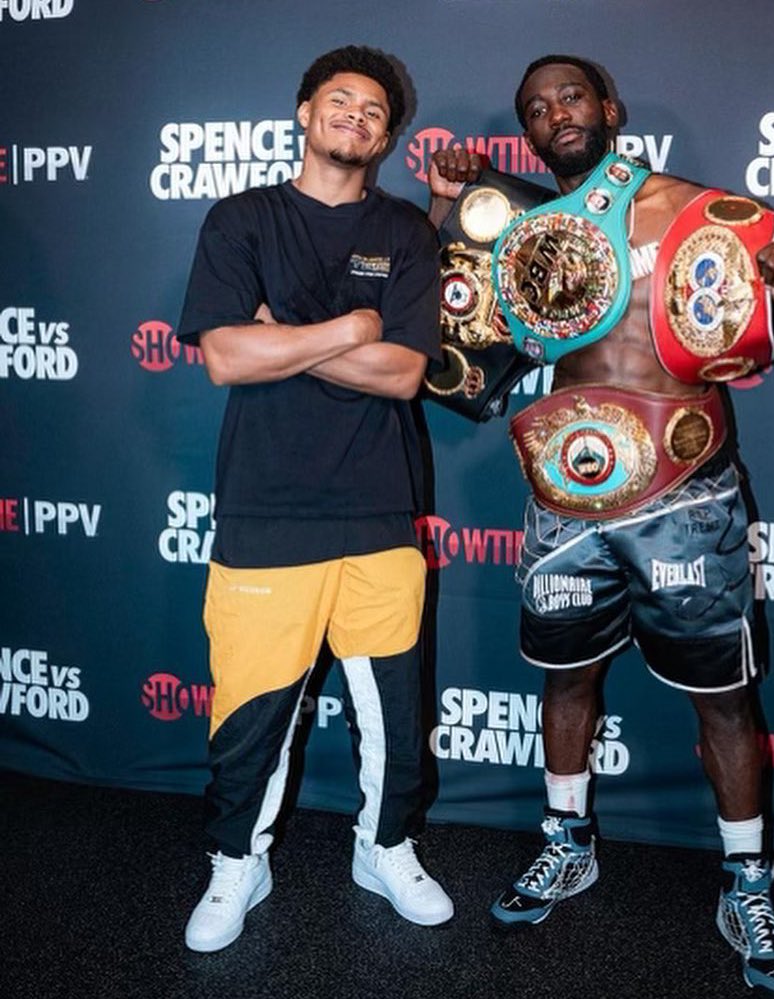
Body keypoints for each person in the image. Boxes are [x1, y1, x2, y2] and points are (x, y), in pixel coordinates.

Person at [428, 55, 774, 995]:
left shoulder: (697, 213)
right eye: (535, 109)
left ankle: (747, 881)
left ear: (610, 109)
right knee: (564, 682)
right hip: (563, 498)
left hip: (686, 496)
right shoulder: (528, 229)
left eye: (569, 96)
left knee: (723, 700)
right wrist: (459, 201)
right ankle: (567, 844)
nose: (553, 113)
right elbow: (472, 319)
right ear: (525, 134)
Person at [177, 45, 452, 953]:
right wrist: (348, 329)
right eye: (340, 101)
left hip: (378, 508)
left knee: (396, 714)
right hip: (266, 508)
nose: (356, 117)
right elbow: (223, 356)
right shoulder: (241, 220)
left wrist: (282, 335)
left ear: (387, 132)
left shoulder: (408, 231)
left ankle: (387, 848)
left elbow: (405, 374)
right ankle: (236, 864)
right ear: (304, 112)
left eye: (374, 110)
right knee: (251, 712)